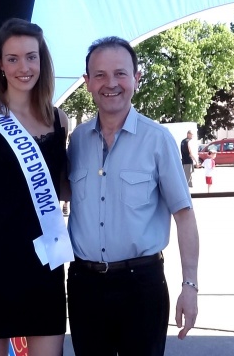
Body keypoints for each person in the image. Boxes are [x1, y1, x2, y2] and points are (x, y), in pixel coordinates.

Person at [67, 36, 199, 356]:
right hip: (85, 285)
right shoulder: (77, 140)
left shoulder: (159, 140)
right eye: (99, 75)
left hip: (142, 286)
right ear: (87, 82)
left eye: (120, 73)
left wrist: (190, 286)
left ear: (136, 79)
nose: (110, 83)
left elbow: (184, 215)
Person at [0, 18, 71, 356]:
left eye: (31, 57)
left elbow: (63, 188)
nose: (24, 67)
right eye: (13, 58)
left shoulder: (59, 119)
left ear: (42, 60)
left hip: (46, 264)